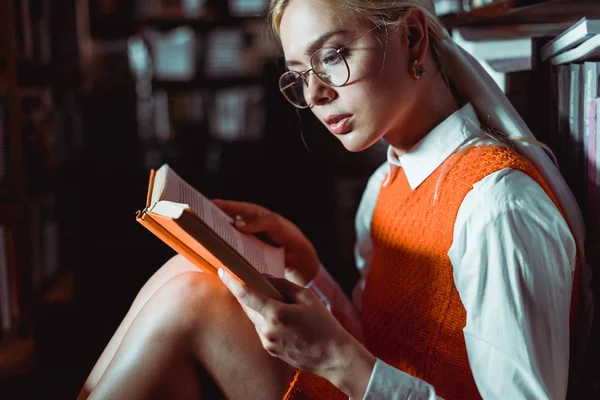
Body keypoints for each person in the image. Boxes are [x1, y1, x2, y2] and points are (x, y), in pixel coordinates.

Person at [77, 0, 593, 399]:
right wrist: (310, 267)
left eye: (334, 56)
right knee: (187, 271)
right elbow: (386, 343)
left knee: (196, 301)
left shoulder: (497, 207)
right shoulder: (386, 185)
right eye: (301, 75)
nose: (317, 94)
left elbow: (360, 363)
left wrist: (335, 360)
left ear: (412, 37)